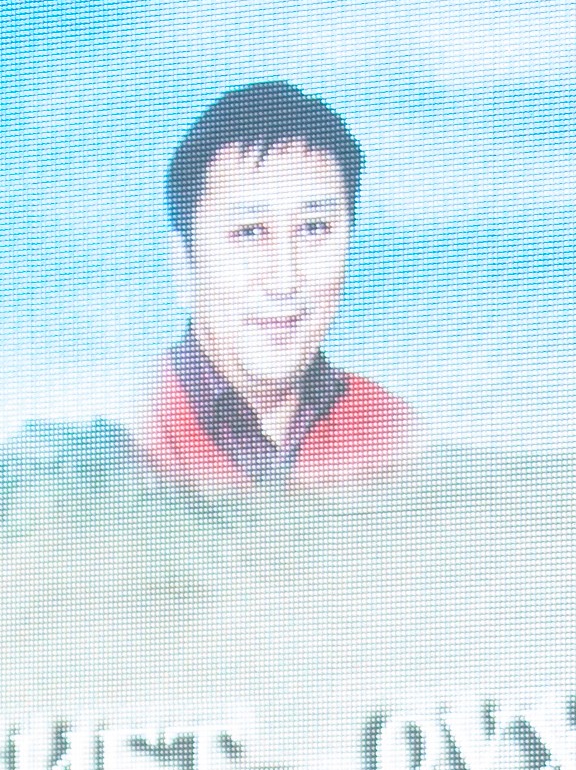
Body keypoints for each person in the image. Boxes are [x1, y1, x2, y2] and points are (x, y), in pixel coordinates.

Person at [137, 80, 420, 491]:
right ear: (184, 265)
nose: (285, 279)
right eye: (250, 232)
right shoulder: (126, 437)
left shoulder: (391, 430)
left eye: (314, 228)